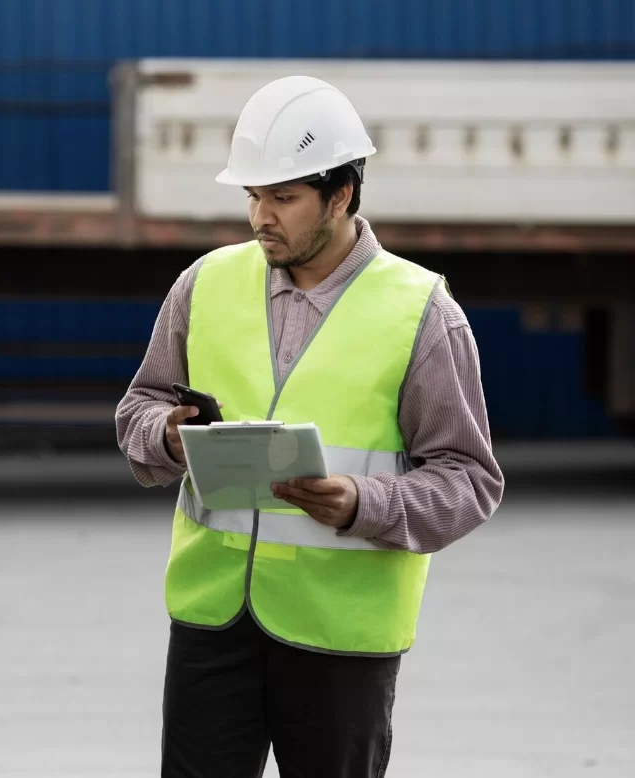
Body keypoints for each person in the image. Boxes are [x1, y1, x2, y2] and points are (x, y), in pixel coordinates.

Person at [115, 75, 505, 778]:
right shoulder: (203, 285)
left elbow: (470, 480)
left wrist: (364, 503)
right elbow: (136, 408)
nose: (261, 217)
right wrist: (166, 436)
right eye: (253, 197)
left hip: (341, 639)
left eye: (283, 198)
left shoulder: (422, 313)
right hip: (212, 622)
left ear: (342, 196)